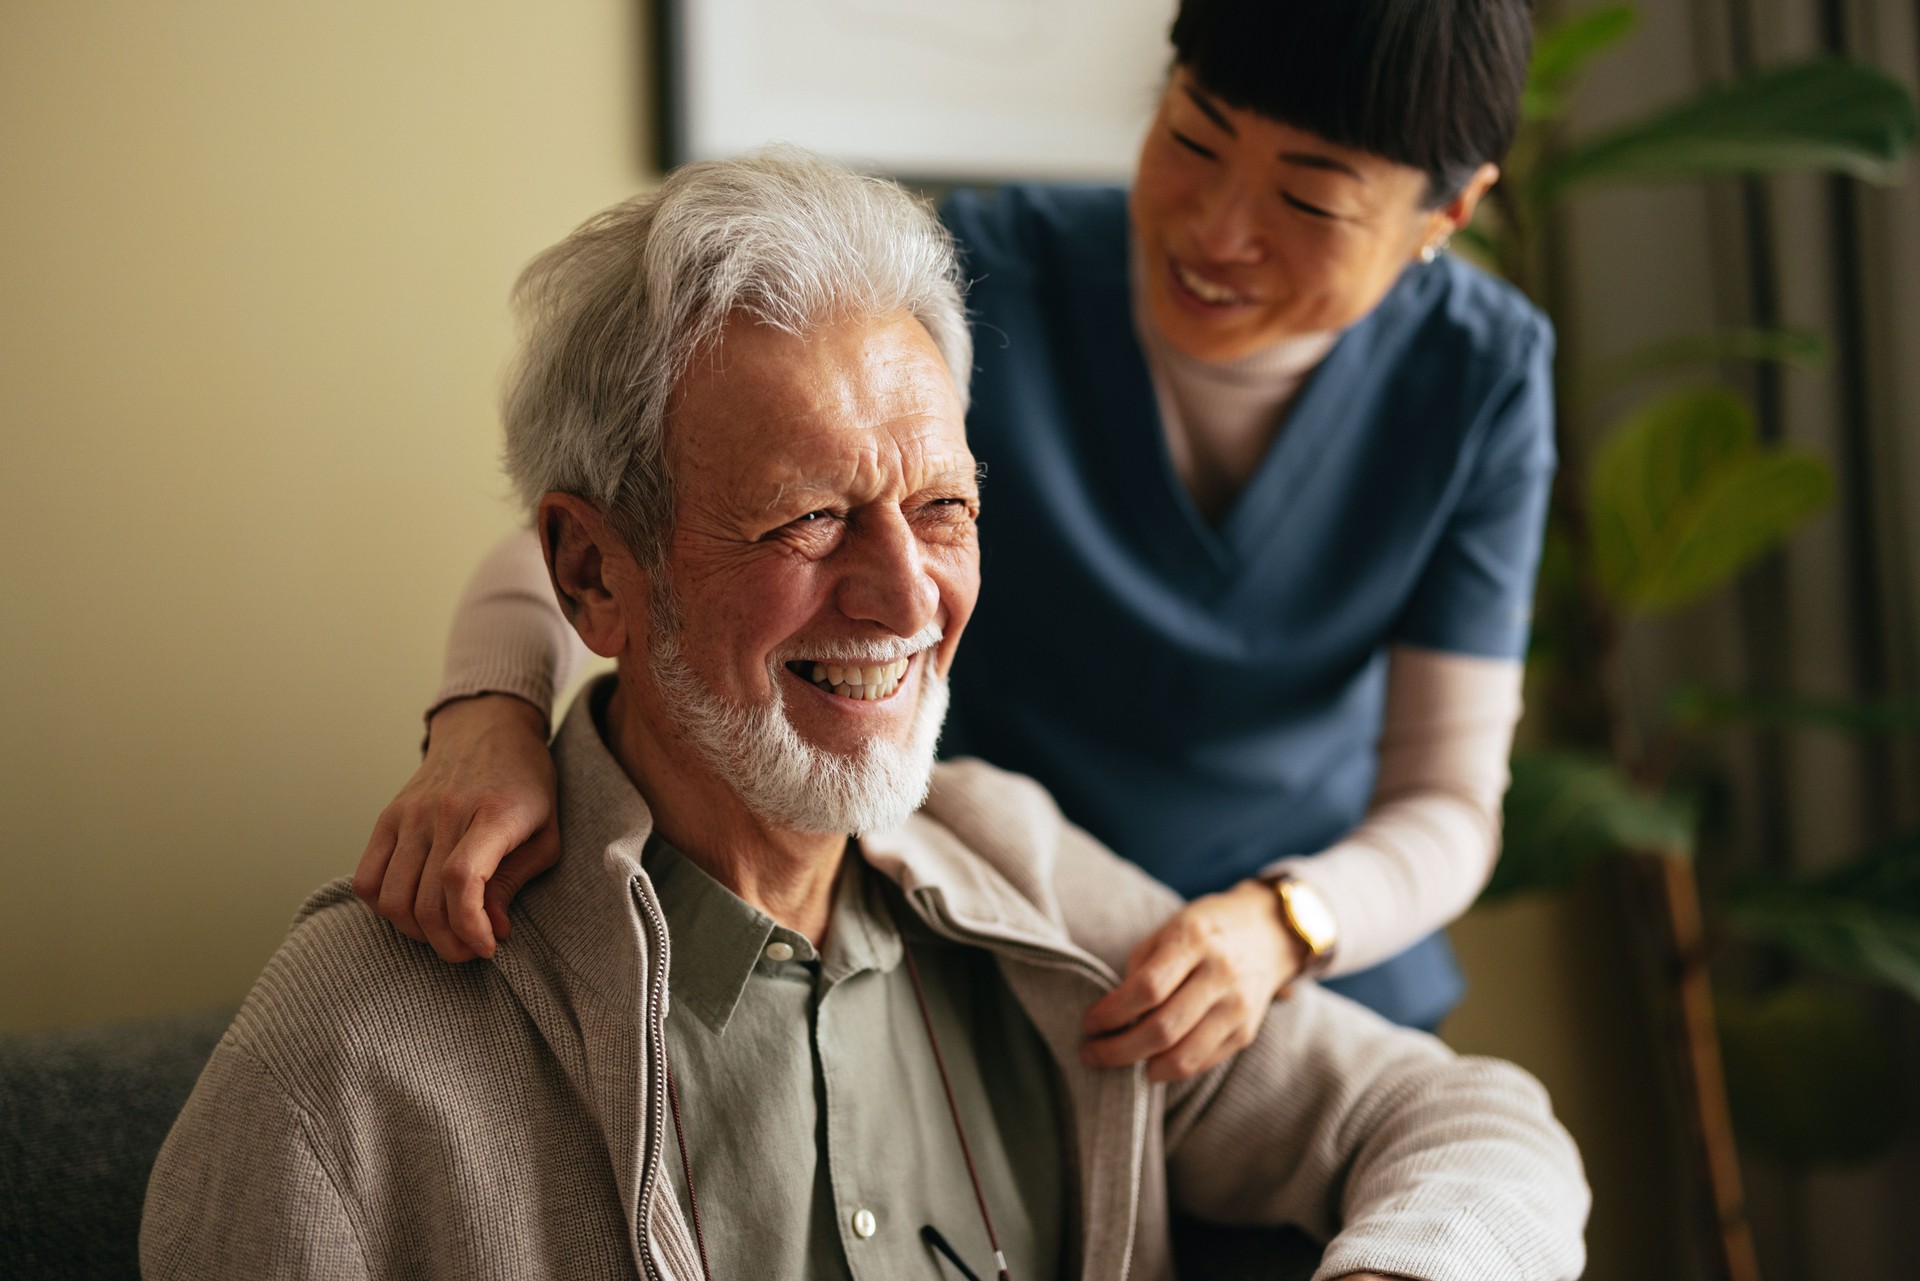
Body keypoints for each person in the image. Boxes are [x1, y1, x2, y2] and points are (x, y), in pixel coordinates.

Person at [144, 151, 1586, 1281]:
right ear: (594, 573)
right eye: (809, 519)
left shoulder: (1026, 878)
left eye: (944, 507)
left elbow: (1476, 1123)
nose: (904, 594)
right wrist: (482, 703)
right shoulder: (339, 1064)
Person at [359, 0, 1553, 1080]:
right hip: (1000, 950)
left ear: (1444, 213)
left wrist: (1286, 923)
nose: (1217, 227)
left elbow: (1449, 802)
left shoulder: (1482, 382)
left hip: (1301, 987)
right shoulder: (993, 276)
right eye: (1192, 138)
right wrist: (488, 720)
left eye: (1309, 200)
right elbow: (603, 546)